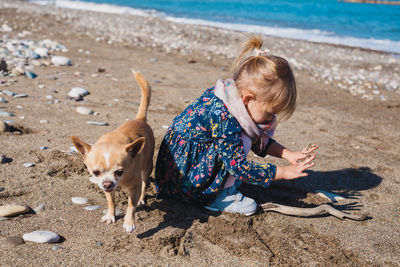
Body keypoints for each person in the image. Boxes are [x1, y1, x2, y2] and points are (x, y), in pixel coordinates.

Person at [155, 36, 318, 215]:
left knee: (243, 137)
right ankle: (218, 197)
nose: (271, 119)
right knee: (241, 141)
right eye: (270, 112)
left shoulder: (230, 96)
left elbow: (256, 138)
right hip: (184, 182)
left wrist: (287, 154)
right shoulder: (224, 118)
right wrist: (283, 172)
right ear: (248, 99)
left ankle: (221, 184)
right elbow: (237, 165)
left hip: (178, 171)